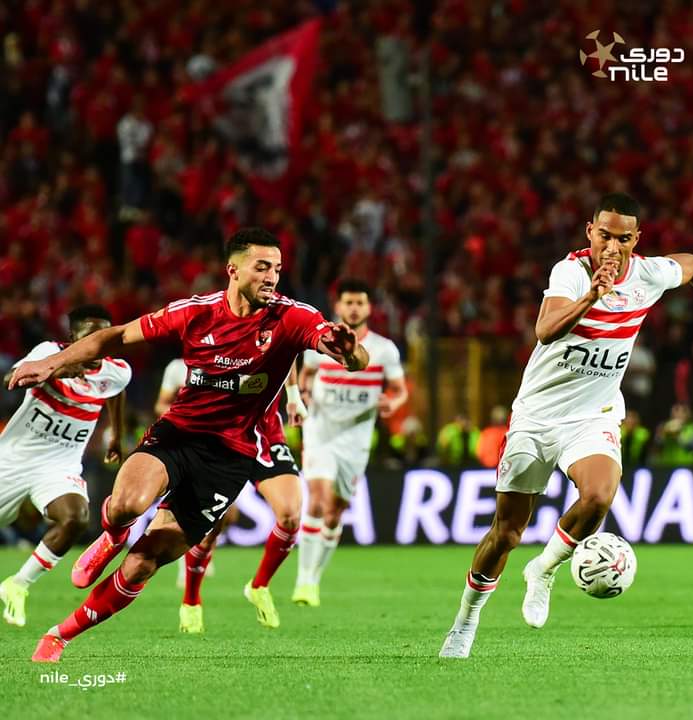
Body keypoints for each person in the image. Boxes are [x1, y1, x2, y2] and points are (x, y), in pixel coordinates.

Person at [9, 227, 369, 662]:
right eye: (261, 267)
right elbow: (114, 337)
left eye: (277, 268)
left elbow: (347, 354)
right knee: (126, 505)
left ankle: (58, 636)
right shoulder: (196, 311)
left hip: (230, 457)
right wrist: (51, 362)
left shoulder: (293, 317)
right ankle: (113, 535)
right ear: (233, 270)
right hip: (178, 434)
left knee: (143, 564)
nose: (272, 277)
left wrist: (350, 352)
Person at [439, 193, 693, 658]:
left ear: (636, 240)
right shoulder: (570, 272)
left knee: (599, 496)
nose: (612, 246)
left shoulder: (648, 275)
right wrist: (592, 296)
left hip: (593, 415)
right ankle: (465, 622)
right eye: (604, 235)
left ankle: (544, 568)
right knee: (506, 533)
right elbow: (545, 330)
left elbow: (691, 266)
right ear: (590, 232)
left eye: (623, 239)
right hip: (536, 416)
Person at [0, 305, 130, 627]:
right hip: (13, 461)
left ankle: (17, 585)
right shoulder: (49, 352)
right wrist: (53, 370)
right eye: (90, 338)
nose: (98, 346)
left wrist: (116, 436)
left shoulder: (117, 370)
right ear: (73, 338)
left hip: (59, 467)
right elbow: (8, 379)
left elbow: (117, 391)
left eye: (104, 338)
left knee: (76, 518)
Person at [292, 279, 407, 607]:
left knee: (334, 512)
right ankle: (304, 581)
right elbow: (305, 375)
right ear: (338, 306)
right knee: (317, 500)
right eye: (349, 303)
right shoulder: (322, 341)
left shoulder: (384, 349)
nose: (354, 308)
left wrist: (392, 403)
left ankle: (315, 576)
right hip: (320, 430)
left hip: (356, 438)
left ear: (369, 308)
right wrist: (303, 394)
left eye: (360, 303)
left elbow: (400, 391)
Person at [178, 368, 309, 633]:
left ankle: (259, 586)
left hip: (266, 433)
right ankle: (191, 601)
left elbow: (290, 348)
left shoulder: (274, 336)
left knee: (290, 514)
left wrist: (293, 393)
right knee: (211, 528)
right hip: (219, 435)